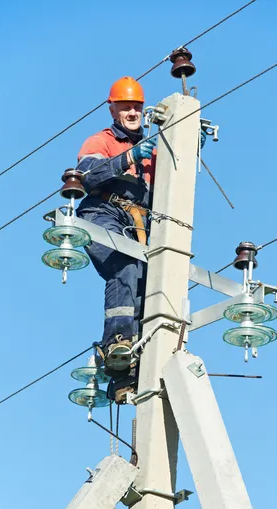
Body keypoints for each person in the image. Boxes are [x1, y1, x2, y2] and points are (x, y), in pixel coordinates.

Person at [76, 76, 157, 401]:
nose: (132, 112)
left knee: (147, 289)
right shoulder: (101, 141)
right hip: (102, 213)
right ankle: (118, 341)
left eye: (136, 106)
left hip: (139, 222)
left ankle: (125, 374)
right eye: (125, 107)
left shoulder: (155, 152)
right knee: (124, 266)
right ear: (113, 110)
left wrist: (186, 146)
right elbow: (89, 177)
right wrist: (129, 158)